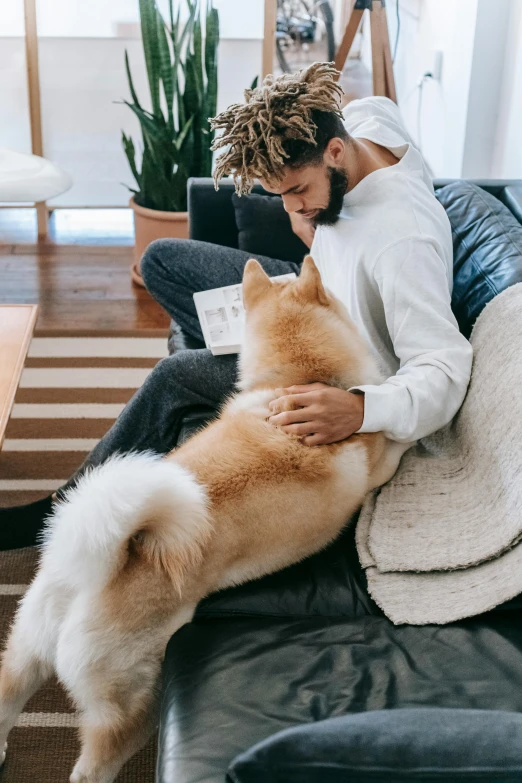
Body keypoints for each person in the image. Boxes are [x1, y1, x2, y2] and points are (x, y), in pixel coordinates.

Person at [0, 62, 472, 550]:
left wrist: (358, 407)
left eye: (296, 192)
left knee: (176, 375)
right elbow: (370, 104)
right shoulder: (368, 124)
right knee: (162, 260)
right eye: (279, 195)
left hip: (333, 369)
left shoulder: (402, 242)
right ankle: (250, 354)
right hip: (309, 298)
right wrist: (314, 222)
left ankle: (62, 512)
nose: (292, 208)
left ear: (335, 153)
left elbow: (445, 367)